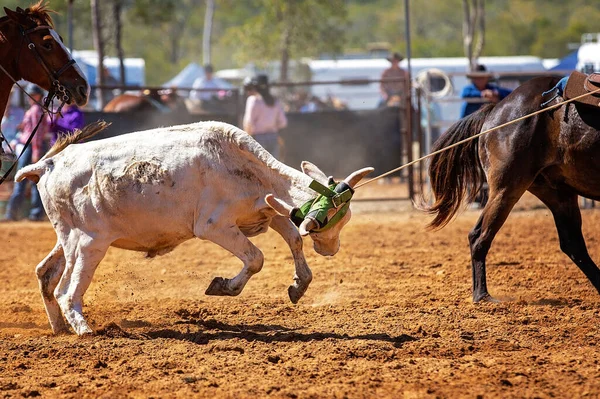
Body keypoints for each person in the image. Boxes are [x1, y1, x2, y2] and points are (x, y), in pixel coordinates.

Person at [3, 86, 50, 222]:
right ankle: (35, 213)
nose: (30, 97)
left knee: (21, 179)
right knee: (34, 181)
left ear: (38, 96)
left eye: (33, 95)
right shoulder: (37, 109)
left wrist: (35, 151)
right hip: (31, 147)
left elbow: (36, 133)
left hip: (31, 148)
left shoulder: (35, 110)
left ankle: (12, 214)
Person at [243, 75, 287, 159]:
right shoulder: (274, 101)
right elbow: (283, 122)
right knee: (274, 167)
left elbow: (248, 123)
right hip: (273, 137)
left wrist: (247, 139)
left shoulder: (253, 100)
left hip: (258, 139)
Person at [1, 87, 24, 154]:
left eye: (9, 96)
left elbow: (21, 130)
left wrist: (14, 142)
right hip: (1, 143)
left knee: (21, 150)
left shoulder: (19, 112)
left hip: (14, 143)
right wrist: (5, 116)